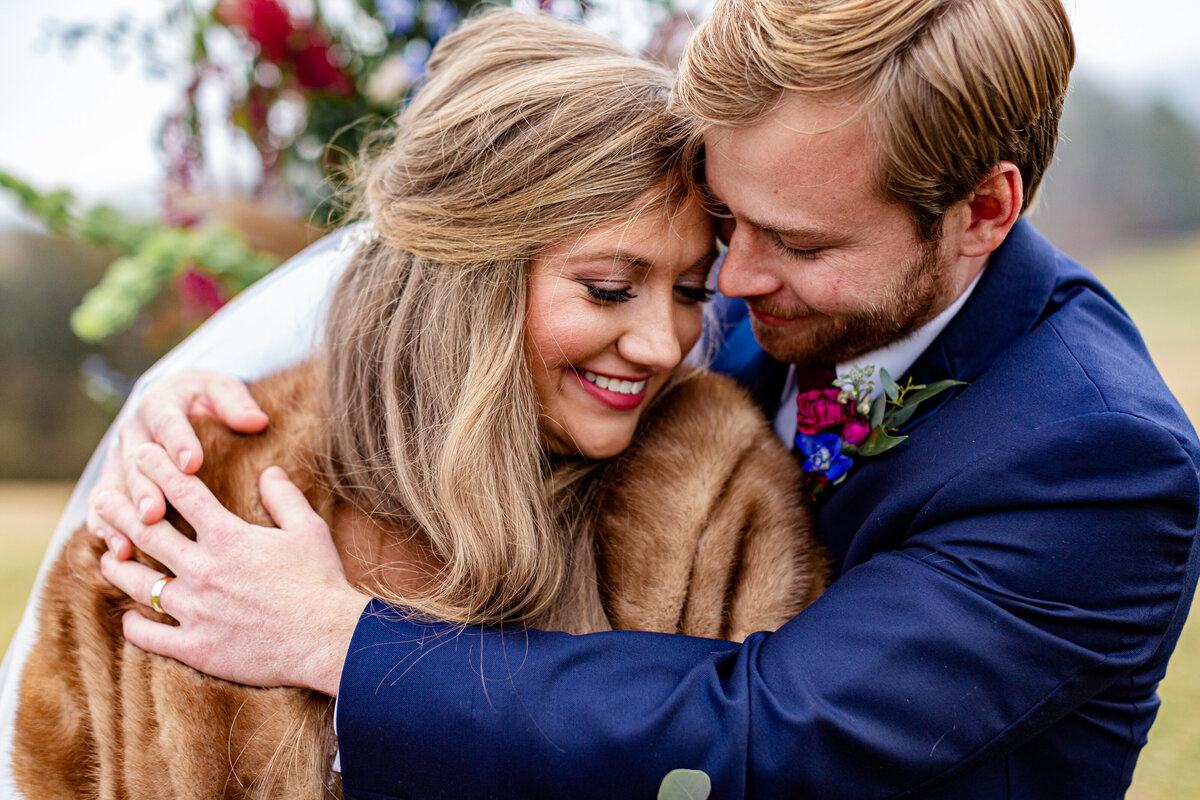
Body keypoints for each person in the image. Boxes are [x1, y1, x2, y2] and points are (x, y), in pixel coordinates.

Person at [60, 0, 1200, 798]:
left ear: (983, 212)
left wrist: (341, 640)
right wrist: (222, 408)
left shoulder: (1099, 461)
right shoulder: (760, 281)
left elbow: (760, 735)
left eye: (791, 243)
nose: (731, 293)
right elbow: (493, 278)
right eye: (723, 229)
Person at [1, 10, 830, 798]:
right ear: (469, 279)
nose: (665, 342)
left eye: (690, 290)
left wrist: (343, 644)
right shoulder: (200, 487)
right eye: (610, 289)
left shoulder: (714, 497)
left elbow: (766, 754)